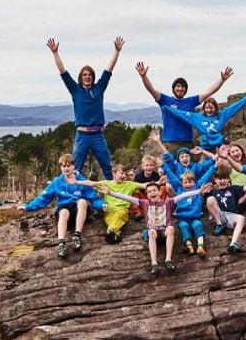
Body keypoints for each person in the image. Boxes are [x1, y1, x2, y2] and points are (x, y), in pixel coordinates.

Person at [47, 37, 125, 179]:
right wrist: (55, 53)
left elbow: (109, 69)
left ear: (93, 77)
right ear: (80, 77)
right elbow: (62, 70)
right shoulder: (75, 89)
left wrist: (117, 51)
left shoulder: (99, 88)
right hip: (82, 136)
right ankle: (73, 196)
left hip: (98, 136)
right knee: (75, 168)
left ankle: (111, 196)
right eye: (84, 75)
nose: (87, 77)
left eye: (89, 75)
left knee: (107, 167)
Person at [98, 181, 212, 275]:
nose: (152, 193)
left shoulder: (168, 202)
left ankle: (168, 260)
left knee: (171, 228)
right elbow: (126, 197)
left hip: (165, 232)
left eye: (154, 190)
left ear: (159, 192)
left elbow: (182, 196)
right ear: (147, 194)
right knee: (151, 231)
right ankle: (154, 263)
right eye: (149, 191)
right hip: (154, 233)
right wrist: (110, 193)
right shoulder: (144, 203)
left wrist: (198, 191)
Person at [20, 154, 106, 258]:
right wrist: (27, 207)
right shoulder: (57, 182)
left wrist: (101, 205)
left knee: (83, 201)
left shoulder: (81, 180)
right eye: (63, 166)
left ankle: (76, 236)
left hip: (80, 212)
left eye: (68, 165)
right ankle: (61, 243)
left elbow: (93, 198)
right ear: (61, 168)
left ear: (73, 166)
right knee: (64, 212)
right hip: (65, 212)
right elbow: (43, 198)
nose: (66, 168)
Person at [136, 61, 233, 153]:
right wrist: (144, 76)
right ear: (174, 88)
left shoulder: (190, 101)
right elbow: (151, 89)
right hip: (170, 143)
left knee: (187, 170)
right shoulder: (165, 100)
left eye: (183, 87)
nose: (180, 88)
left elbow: (209, 91)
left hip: (187, 143)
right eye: (178, 86)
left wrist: (222, 80)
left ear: (185, 90)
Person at [69, 163, 150, 243]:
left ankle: (110, 232)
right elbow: (91, 183)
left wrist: (158, 183)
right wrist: (77, 182)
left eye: (125, 174)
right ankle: (115, 236)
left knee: (120, 216)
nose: (124, 176)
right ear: (114, 173)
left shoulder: (129, 184)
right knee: (113, 225)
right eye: (121, 173)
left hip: (122, 210)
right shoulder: (107, 183)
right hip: (109, 212)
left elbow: (144, 185)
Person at [162, 160, 217, 258]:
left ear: (194, 182)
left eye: (190, 182)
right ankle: (189, 245)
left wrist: (215, 166)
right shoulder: (179, 188)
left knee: (198, 225)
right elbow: (171, 175)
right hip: (182, 218)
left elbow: (207, 175)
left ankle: (200, 246)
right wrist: (163, 165)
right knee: (183, 226)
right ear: (182, 183)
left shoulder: (198, 186)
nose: (188, 184)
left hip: (195, 217)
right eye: (185, 182)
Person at [161, 94, 246, 151]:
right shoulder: (198, 117)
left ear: (215, 108)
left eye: (211, 108)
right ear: (204, 108)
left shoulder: (221, 115)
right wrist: (168, 109)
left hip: (218, 148)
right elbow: (183, 114)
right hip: (204, 150)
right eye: (207, 108)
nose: (209, 110)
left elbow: (234, 107)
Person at [149, 129, 214, 194]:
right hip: (179, 192)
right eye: (182, 157)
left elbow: (213, 159)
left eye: (186, 156)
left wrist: (202, 151)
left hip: (194, 191)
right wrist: (158, 142)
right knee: (168, 185)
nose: (184, 158)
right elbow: (167, 156)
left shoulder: (196, 166)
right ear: (179, 159)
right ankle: (174, 203)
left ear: (190, 158)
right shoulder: (176, 166)